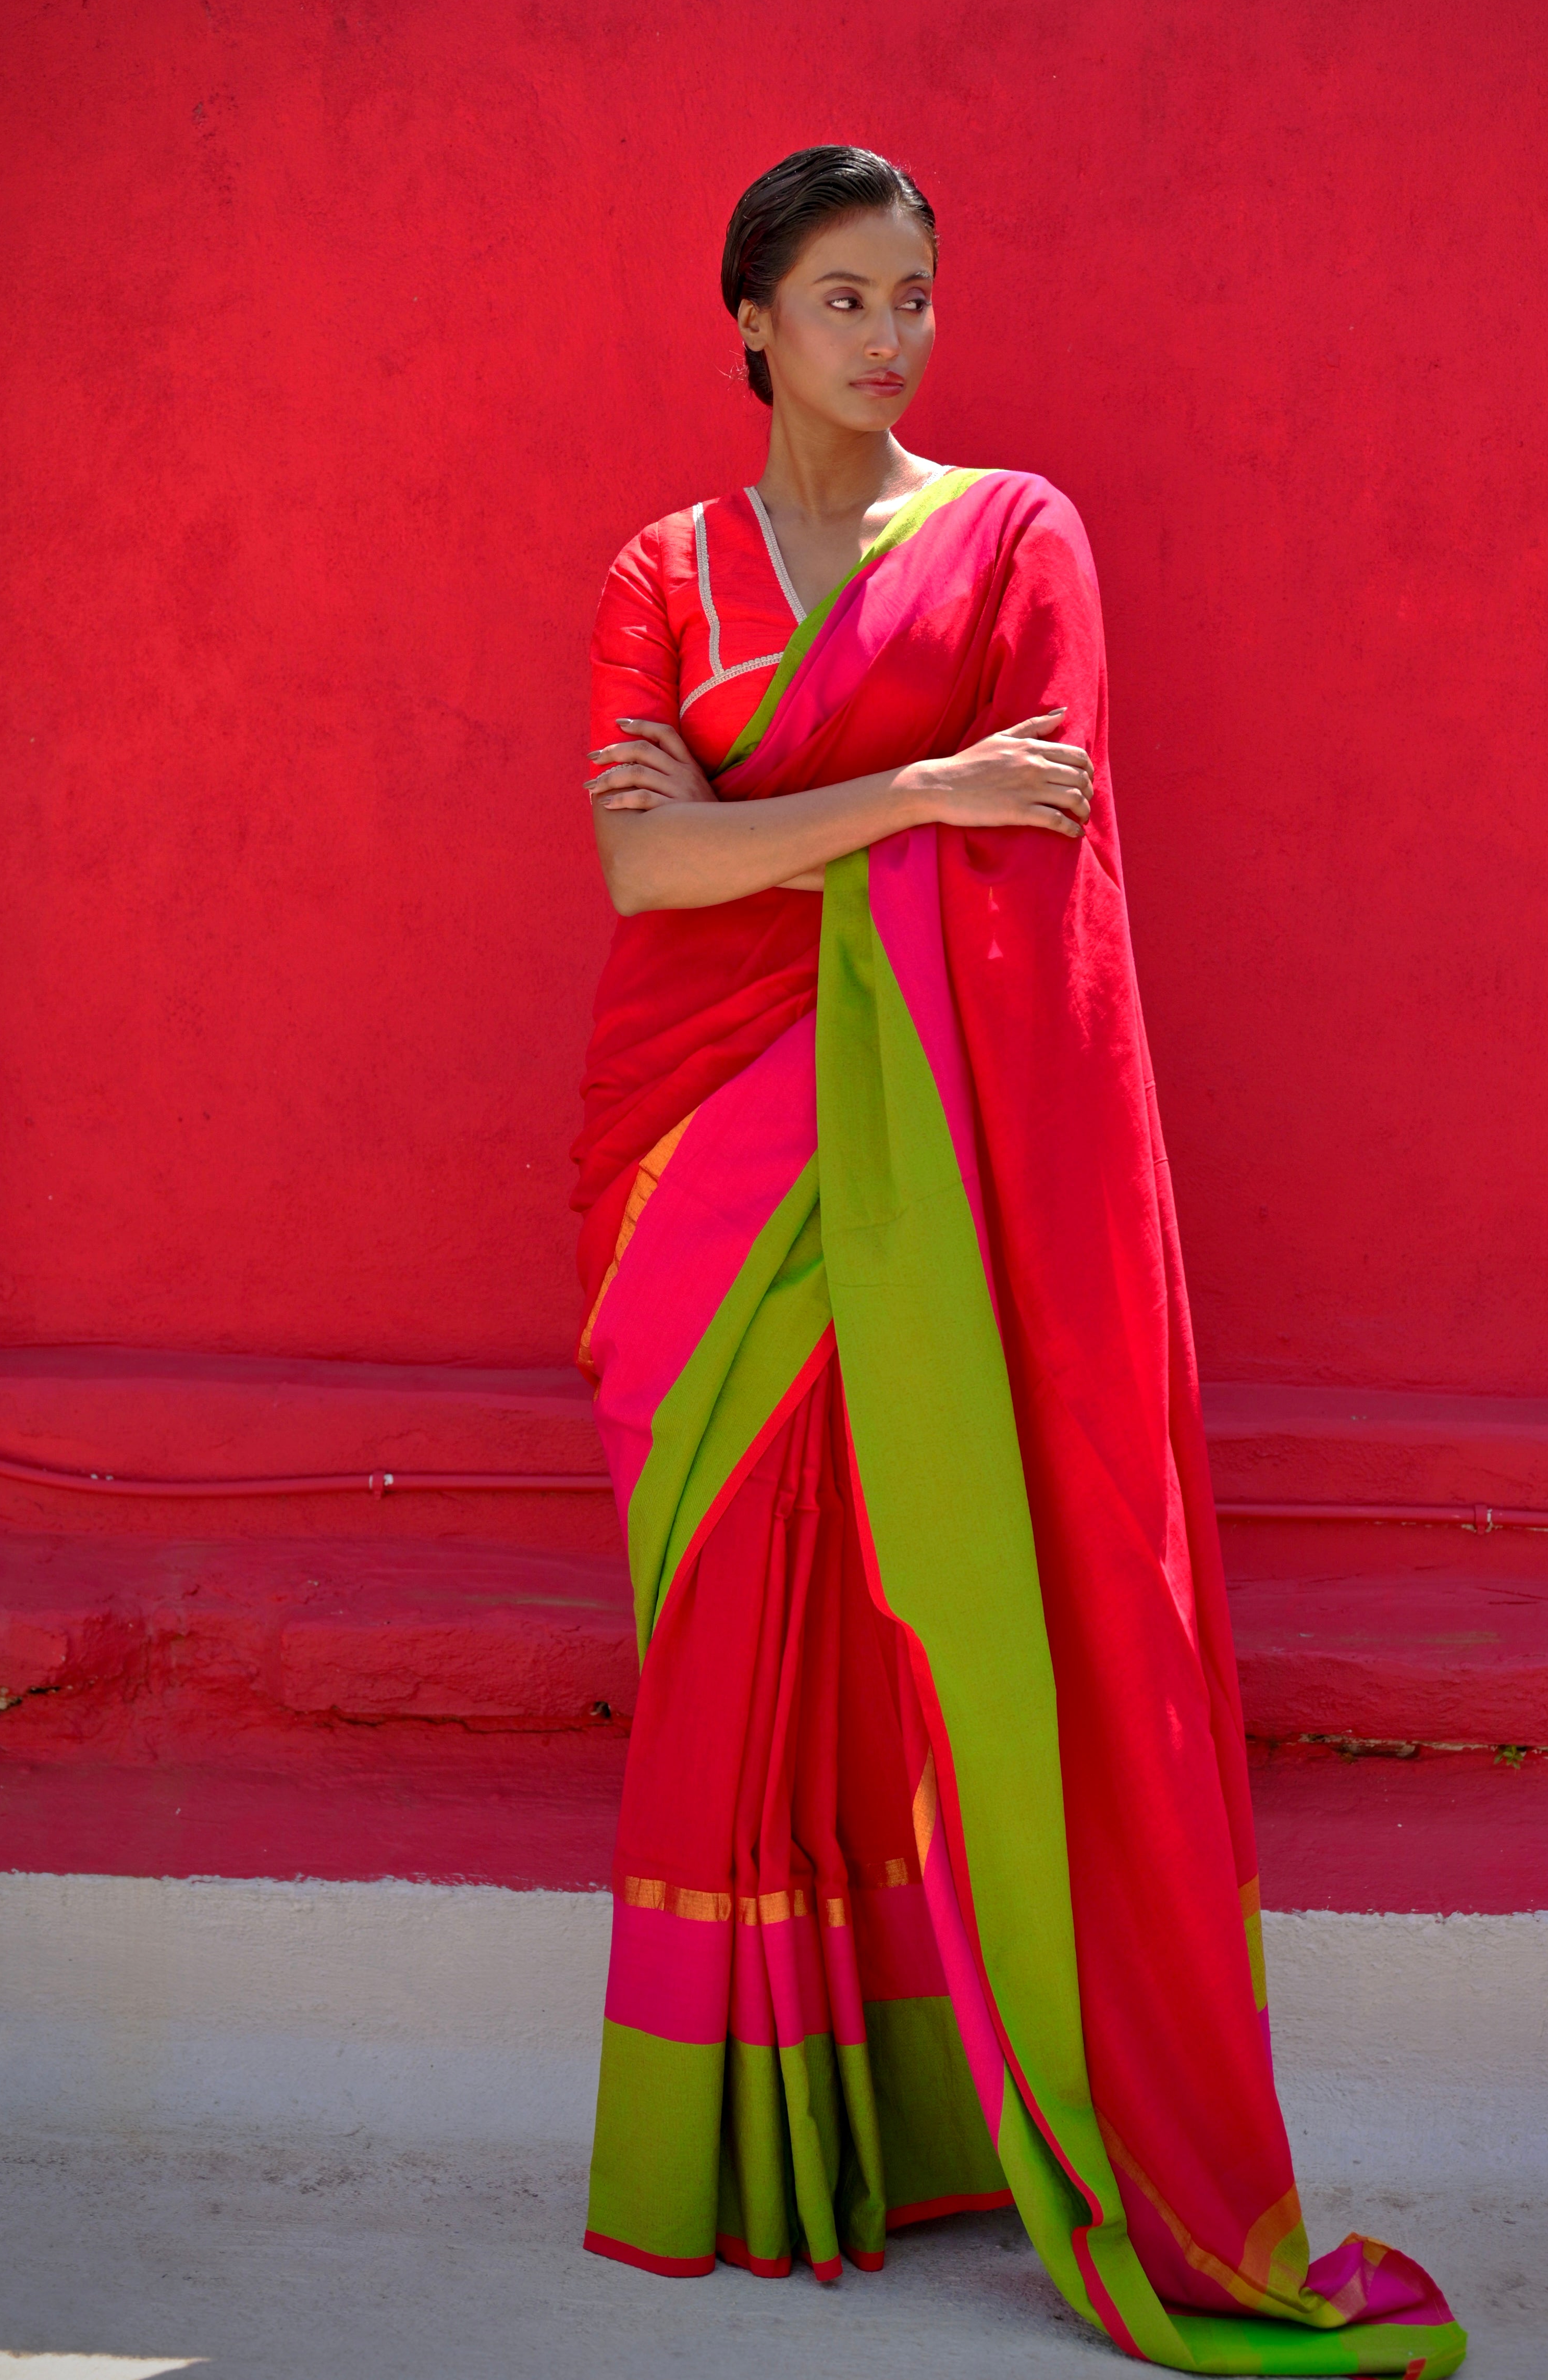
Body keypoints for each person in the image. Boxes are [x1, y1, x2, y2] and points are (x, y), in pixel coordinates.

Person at [572, 144, 1465, 2376]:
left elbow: (1047, 842)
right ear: (748, 321)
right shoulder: (661, 572)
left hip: (945, 1169)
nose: (888, 341)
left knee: (958, 1598)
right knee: (741, 1630)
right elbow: (645, 875)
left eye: (913, 302)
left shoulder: (1008, 536)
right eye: (844, 298)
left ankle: (1006, 2116)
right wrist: (905, 798)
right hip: (693, 1160)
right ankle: (766, 2148)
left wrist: (862, 821)